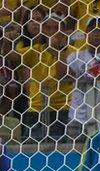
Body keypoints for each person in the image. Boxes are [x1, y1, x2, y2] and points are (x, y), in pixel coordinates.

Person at [18, 12, 75, 142]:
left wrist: (58, 50)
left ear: (64, 31)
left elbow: (63, 75)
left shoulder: (73, 51)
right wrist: (7, 41)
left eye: (57, 28)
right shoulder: (35, 50)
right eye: (48, 28)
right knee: (32, 150)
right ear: (42, 31)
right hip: (36, 108)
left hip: (63, 109)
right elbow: (10, 56)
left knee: (60, 152)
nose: (53, 32)